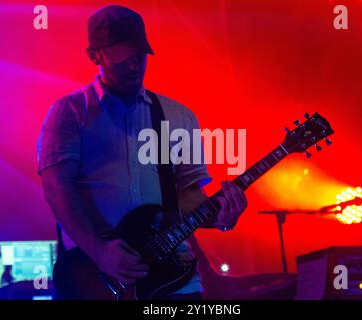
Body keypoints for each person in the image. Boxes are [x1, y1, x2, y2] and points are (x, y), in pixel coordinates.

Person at [37, 4, 247, 300]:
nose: (134, 65)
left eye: (139, 55)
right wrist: (100, 252)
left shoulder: (179, 116)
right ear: (94, 55)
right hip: (96, 279)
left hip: (173, 280)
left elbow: (186, 197)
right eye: (122, 58)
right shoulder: (69, 113)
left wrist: (222, 216)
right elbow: (57, 189)